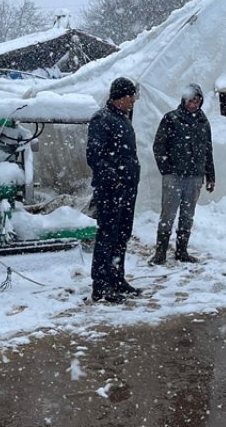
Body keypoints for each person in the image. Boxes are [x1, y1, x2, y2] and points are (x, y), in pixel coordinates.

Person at [86, 77, 143, 304]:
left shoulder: (121, 118)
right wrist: (114, 178)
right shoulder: (102, 119)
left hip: (127, 189)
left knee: (122, 235)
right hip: (111, 190)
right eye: (131, 97)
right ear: (120, 96)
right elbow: (94, 156)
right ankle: (101, 285)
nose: (133, 101)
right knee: (107, 236)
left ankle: (117, 278)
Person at [149, 83, 216, 266]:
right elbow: (159, 146)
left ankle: (181, 251)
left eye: (197, 101)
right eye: (191, 100)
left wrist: (210, 176)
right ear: (184, 100)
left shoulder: (203, 122)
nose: (194, 104)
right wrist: (167, 169)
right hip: (174, 177)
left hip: (195, 177)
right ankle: (160, 253)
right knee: (168, 215)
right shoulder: (171, 119)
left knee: (187, 215)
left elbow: (208, 150)